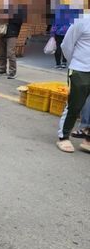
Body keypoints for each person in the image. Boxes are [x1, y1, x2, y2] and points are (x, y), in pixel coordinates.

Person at [56, 11, 90, 153]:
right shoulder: (82, 21)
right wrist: (73, 63)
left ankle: (88, 138)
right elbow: (66, 45)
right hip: (80, 69)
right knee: (75, 105)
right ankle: (63, 136)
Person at [0, 0, 26, 79]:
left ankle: (12, 71)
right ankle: (2, 70)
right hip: (2, 34)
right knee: (1, 53)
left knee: (10, 53)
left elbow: (19, 22)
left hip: (12, 34)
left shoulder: (18, 11)